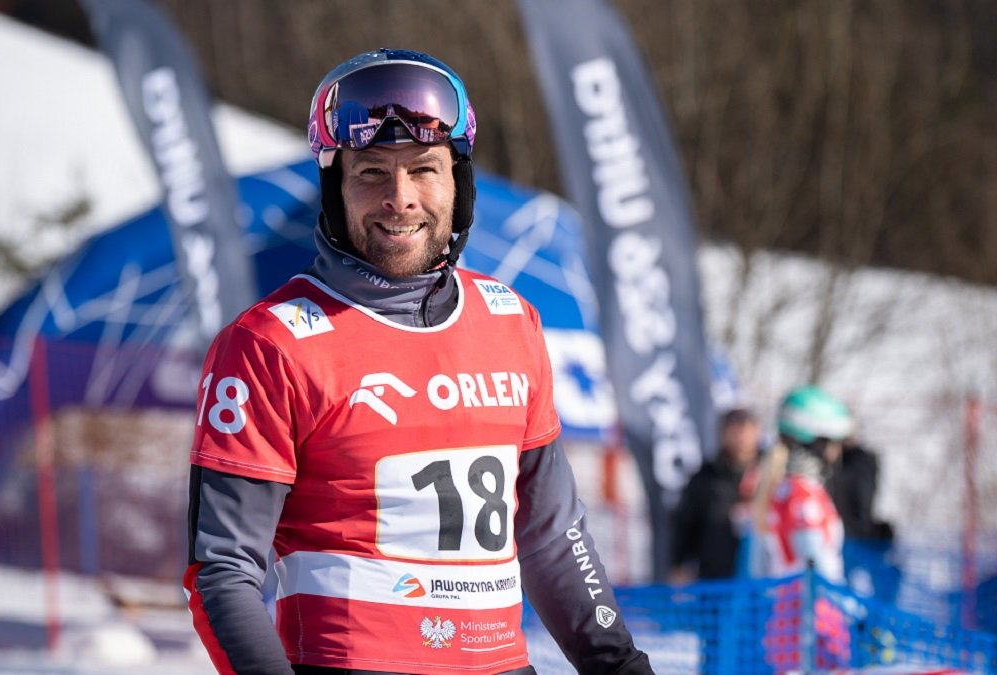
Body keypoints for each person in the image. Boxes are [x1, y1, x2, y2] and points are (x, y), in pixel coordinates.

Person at [184, 49, 652, 674]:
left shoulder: (511, 320)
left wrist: (620, 665)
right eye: (371, 172)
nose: (399, 198)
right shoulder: (269, 345)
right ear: (335, 187)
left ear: (458, 181)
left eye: (424, 169)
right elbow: (222, 571)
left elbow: (552, 536)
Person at [754, 385, 854, 670]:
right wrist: (854, 610)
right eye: (832, 442)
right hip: (811, 621)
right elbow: (814, 563)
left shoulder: (786, 489)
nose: (836, 451)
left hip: (794, 617)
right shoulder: (801, 494)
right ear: (815, 443)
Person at [670, 406, 761, 582]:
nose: (741, 438)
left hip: (761, 577)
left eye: (746, 432)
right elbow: (684, 523)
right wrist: (678, 564)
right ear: (723, 434)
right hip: (715, 574)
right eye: (735, 432)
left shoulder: (771, 475)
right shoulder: (706, 477)